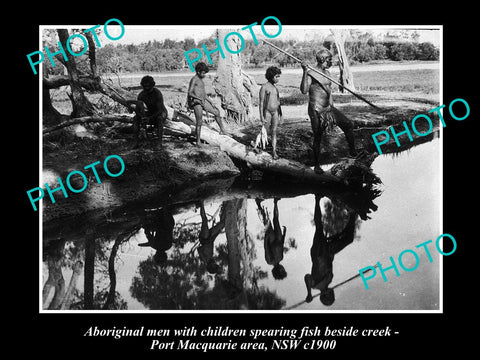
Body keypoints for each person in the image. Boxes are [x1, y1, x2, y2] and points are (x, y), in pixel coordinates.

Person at [300, 48, 357, 173]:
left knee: (348, 124)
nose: (331, 62)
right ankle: (316, 166)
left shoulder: (328, 73)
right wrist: (304, 71)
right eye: (329, 59)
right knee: (318, 137)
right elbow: (304, 90)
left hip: (328, 108)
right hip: (316, 109)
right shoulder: (311, 73)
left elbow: (329, 92)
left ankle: (353, 153)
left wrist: (333, 108)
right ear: (323, 59)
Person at [304, 194, 357, 306]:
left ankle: (317, 198)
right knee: (349, 238)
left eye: (330, 295)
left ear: (325, 295)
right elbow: (330, 263)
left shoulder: (314, 285)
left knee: (319, 227)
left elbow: (307, 276)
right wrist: (335, 240)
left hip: (318, 253)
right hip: (328, 252)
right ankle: (353, 212)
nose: (332, 293)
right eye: (332, 295)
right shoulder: (329, 280)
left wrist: (309, 293)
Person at [187, 62, 226, 146]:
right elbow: (190, 93)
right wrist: (197, 99)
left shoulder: (201, 81)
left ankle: (223, 130)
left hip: (203, 101)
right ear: (198, 71)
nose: (204, 75)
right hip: (196, 102)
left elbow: (204, 94)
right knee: (199, 121)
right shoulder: (194, 79)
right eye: (203, 73)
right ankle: (198, 141)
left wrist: (211, 102)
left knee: (217, 112)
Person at [132, 75, 168, 148]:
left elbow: (160, 109)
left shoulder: (157, 93)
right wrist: (141, 116)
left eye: (149, 87)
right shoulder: (141, 95)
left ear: (152, 85)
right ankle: (136, 142)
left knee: (159, 119)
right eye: (145, 87)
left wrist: (150, 118)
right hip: (150, 112)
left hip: (160, 112)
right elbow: (137, 109)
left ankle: (159, 143)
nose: (147, 89)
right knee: (135, 119)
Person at [256, 198, 287, 280]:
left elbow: (266, 248)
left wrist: (266, 237)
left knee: (266, 221)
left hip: (271, 240)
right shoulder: (281, 258)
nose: (283, 268)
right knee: (276, 220)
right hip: (279, 239)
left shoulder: (270, 261)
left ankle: (258, 203)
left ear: (279, 271)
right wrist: (284, 235)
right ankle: (275, 202)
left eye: (282, 270)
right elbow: (281, 246)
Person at [259, 66, 283, 159]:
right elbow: (261, 103)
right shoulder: (264, 87)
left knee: (274, 132)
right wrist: (261, 116)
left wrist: (281, 114)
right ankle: (260, 148)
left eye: (279, 77)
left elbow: (278, 102)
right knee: (265, 131)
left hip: (275, 112)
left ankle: (274, 151)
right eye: (277, 77)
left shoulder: (275, 88)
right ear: (271, 76)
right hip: (267, 112)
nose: (278, 79)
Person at [197, 201, 225, 274]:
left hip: (204, 238)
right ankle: (224, 207)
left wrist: (205, 244)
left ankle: (201, 203)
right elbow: (211, 243)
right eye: (216, 265)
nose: (215, 263)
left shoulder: (205, 259)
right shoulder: (211, 257)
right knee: (222, 224)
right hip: (210, 237)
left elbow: (199, 249)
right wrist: (217, 233)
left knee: (204, 220)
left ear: (211, 266)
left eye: (215, 265)